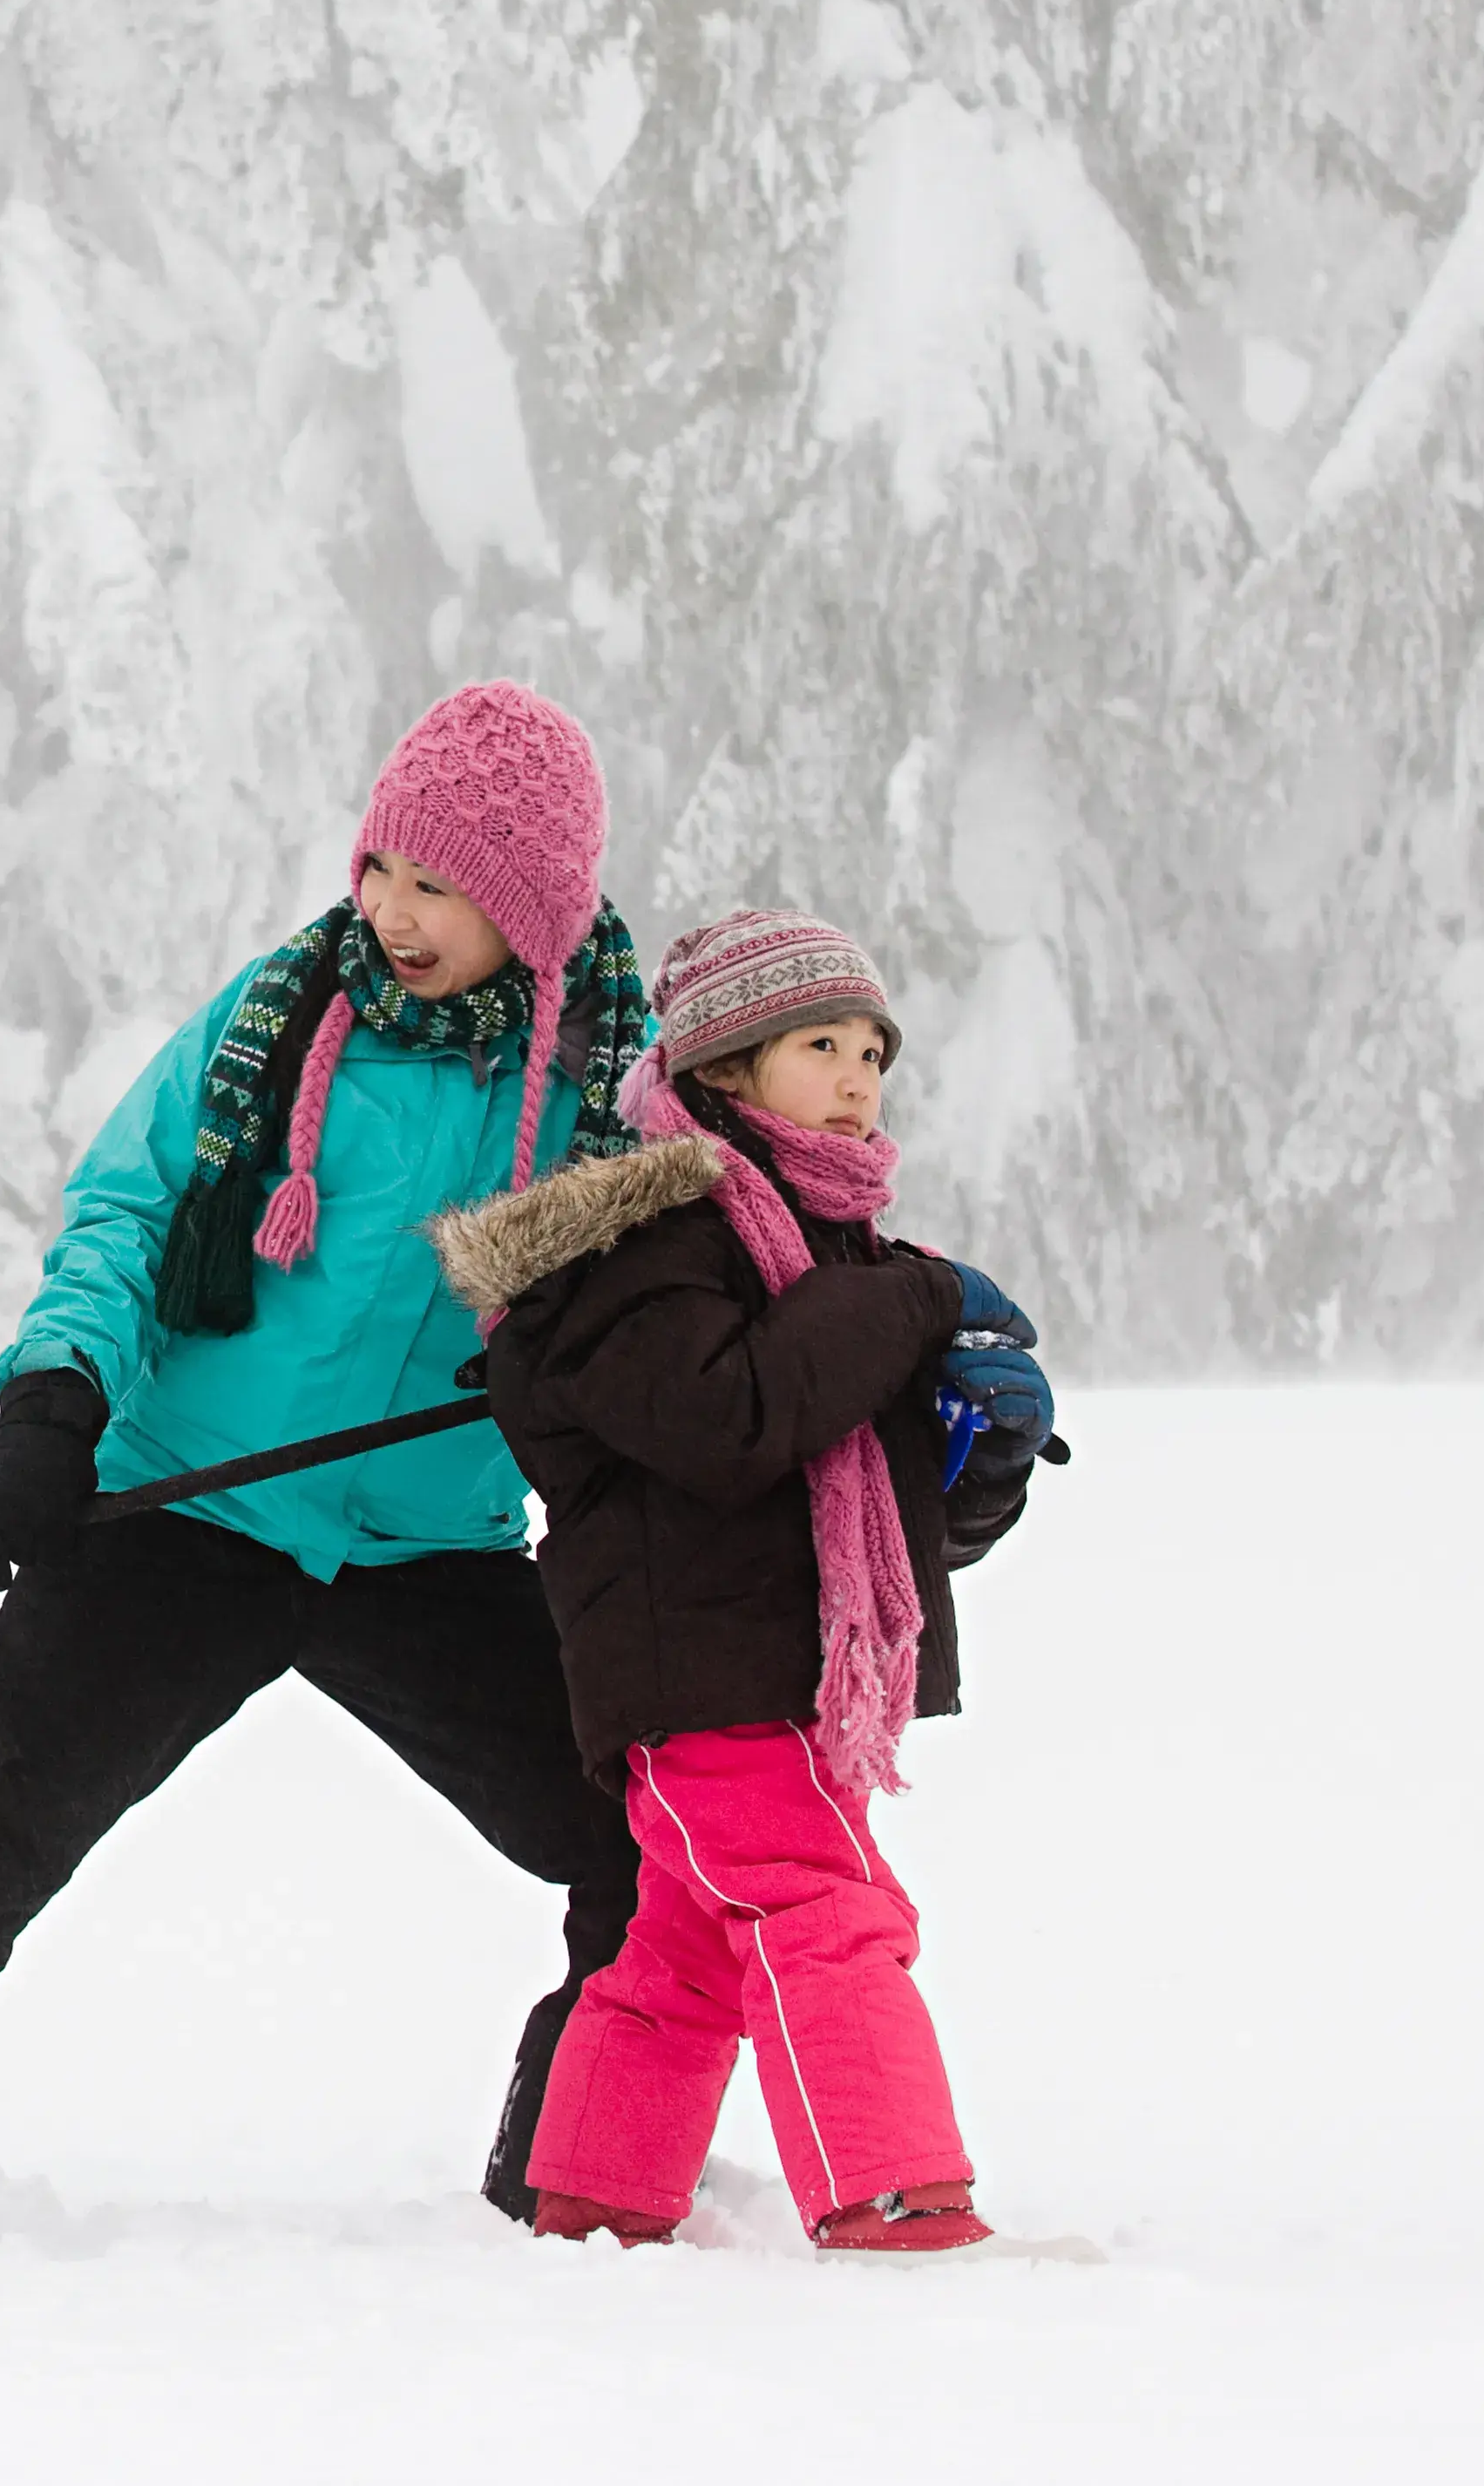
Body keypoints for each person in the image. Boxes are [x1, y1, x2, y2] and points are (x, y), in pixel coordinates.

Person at [0, 683, 660, 2234]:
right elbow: (127, 1214)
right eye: (385, 870)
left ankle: (583, 2200)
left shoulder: (616, 1096)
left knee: (650, 1850)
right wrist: (55, 1407)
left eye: (444, 889)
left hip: (428, 1546)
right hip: (184, 1508)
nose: (396, 915)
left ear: (532, 908)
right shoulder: (284, 1020)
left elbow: (696, 1299)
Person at [427, 907, 1062, 2253]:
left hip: (771, 1668)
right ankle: (896, 2200)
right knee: (828, 1911)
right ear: (723, 1071)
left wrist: (982, 1457)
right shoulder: (647, 1237)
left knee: (684, 1956)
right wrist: (924, 1301)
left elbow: (868, 1520)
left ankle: (596, 2202)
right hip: (697, 1670)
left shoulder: (831, 1251)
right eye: (818, 1045)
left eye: (873, 1053)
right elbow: (726, 1424)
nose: (855, 1078)